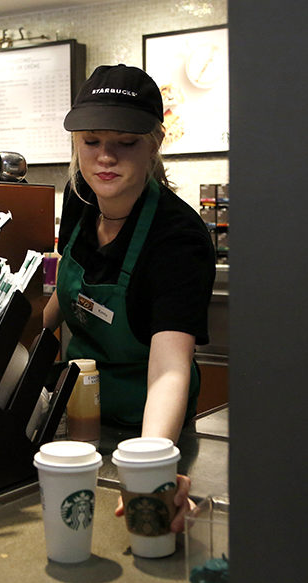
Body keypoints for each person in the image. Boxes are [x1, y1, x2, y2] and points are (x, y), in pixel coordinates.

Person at [43, 64, 216, 532]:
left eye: (126, 142)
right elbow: (66, 293)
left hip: (148, 427)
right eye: (92, 141)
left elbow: (170, 368)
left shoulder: (178, 238)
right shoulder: (78, 199)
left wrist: (150, 464)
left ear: (155, 142)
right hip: (77, 423)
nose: (105, 158)